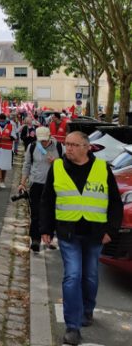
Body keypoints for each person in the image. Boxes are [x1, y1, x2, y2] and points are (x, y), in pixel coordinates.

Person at [40, 131, 122, 345]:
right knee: (73, 276)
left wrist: (111, 231)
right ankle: (72, 326)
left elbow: (115, 202)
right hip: (69, 233)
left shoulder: (102, 168)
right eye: (67, 144)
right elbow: (47, 200)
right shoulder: (57, 167)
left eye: (75, 145)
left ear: (87, 147)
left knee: (91, 276)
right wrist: (45, 229)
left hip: (95, 234)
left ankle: (87, 309)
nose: (69, 148)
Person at [19, 126, 62, 253]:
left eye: (44, 140)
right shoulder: (32, 147)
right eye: (40, 140)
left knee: (52, 212)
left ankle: (50, 238)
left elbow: (67, 164)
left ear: (50, 136)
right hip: (36, 184)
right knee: (36, 213)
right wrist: (22, 183)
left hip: (54, 185)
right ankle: (36, 240)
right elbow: (26, 165)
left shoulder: (59, 147)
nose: (42, 142)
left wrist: (56, 162)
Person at [0, 113, 15, 189]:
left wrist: (5, 138)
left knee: (4, 165)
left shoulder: (11, 126)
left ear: (5, 120)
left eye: (2, 120)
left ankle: (2, 181)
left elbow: (14, 137)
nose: (1, 121)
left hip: (6, 148)